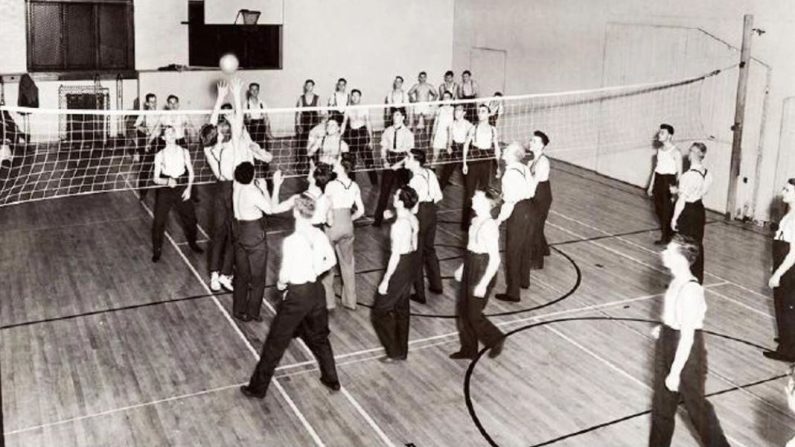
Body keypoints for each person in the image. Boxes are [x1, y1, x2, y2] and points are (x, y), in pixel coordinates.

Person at [240, 194, 341, 399]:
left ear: (296, 212)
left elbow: (285, 274)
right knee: (320, 337)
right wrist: (315, 270)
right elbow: (330, 260)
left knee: (275, 342)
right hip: (316, 292)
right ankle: (332, 379)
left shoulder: (293, 241)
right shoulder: (319, 234)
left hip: (298, 295)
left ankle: (257, 388)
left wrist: (281, 284)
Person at [648, 235, 730, 447]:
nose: (663, 253)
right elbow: (675, 318)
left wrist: (675, 372)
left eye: (669, 251)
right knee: (661, 408)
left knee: (697, 410)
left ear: (682, 258)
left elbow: (687, 336)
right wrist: (664, 327)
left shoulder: (691, 289)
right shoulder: (676, 280)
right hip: (668, 341)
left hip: (687, 353)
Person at [449, 189, 504, 359]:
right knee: (463, 310)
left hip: (483, 270)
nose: (472, 198)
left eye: (477, 196)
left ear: (487, 203)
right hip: (472, 264)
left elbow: (495, 259)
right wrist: (463, 267)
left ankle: (496, 337)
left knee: (473, 314)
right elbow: (472, 250)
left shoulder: (489, 227)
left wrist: (483, 283)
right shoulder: (474, 221)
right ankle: (469, 349)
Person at [372, 186, 419, 362]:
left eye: (396, 195)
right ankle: (401, 351)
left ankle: (394, 351)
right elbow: (414, 244)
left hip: (399, 265)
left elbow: (396, 255)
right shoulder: (412, 219)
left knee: (379, 312)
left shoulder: (399, 226)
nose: (393, 195)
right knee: (402, 308)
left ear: (400, 202)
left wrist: (386, 280)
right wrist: (392, 216)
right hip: (410, 263)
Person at [150, 126, 202, 262]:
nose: (171, 135)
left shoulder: (184, 151)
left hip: (181, 187)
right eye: (167, 133)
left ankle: (193, 243)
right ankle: (157, 251)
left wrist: (189, 189)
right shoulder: (159, 155)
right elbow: (155, 178)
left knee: (191, 219)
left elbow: (191, 172)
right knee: (159, 221)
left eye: (173, 132)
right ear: (163, 138)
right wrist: (167, 181)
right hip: (166, 188)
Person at [323, 157, 366, 310]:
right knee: (348, 263)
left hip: (333, 223)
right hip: (348, 224)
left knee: (327, 262)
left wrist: (329, 222)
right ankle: (350, 302)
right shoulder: (354, 185)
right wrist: (349, 219)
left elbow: (327, 207)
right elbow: (361, 211)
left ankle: (329, 302)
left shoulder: (331, 185)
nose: (333, 162)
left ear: (341, 167)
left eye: (336, 161)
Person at [494, 143, 535, 303]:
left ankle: (513, 293)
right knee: (525, 247)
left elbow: (509, 202)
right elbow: (531, 189)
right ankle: (524, 281)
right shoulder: (523, 168)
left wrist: (498, 220)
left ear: (512, 155)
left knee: (513, 251)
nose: (503, 151)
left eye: (506, 150)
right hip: (530, 208)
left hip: (518, 212)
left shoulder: (509, 175)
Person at [671, 142, 712, 284]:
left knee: (684, 245)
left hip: (688, 211)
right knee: (697, 244)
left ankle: (684, 278)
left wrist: (674, 218)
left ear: (694, 154)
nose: (688, 153)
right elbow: (701, 191)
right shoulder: (707, 174)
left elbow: (682, 200)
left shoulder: (687, 176)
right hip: (699, 210)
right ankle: (696, 280)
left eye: (690, 150)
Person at [406, 150, 443, 304]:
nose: (405, 160)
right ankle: (437, 285)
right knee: (429, 249)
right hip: (432, 211)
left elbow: (413, 207)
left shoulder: (414, 181)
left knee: (417, 253)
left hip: (420, 213)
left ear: (415, 161)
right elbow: (439, 196)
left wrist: (408, 218)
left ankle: (420, 294)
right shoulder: (430, 173)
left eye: (408, 157)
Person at [764, 179, 795, 362]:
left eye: (788, 190)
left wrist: (778, 273)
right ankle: (787, 338)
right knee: (785, 307)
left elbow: (793, 253)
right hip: (783, 264)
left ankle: (787, 350)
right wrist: (774, 265)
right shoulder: (789, 213)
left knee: (785, 307)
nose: (783, 192)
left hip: (789, 269)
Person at [373, 109, 414, 227]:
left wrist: (399, 164)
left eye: (397, 115)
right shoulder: (388, 131)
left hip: (402, 161)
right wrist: (385, 161)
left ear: (403, 117)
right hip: (390, 160)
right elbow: (383, 149)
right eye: (393, 115)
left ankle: (406, 219)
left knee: (404, 192)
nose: (394, 117)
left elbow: (409, 154)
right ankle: (378, 219)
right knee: (384, 191)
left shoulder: (408, 133)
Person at [462, 104, 500, 229]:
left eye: (483, 111)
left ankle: (480, 220)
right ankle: (465, 224)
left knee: (483, 192)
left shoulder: (493, 130)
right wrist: (464, 163)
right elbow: (466, 145)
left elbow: (496, 149)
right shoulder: (474, 128)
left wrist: (498, 166)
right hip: (474, 160)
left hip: (486, 161)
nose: (480, 113)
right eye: (479, 111)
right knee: (469, 193)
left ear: (488, 114)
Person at [647, 124, 682, 245]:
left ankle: (666, 237)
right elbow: (656, 168)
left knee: (667, 211)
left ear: (670, 136)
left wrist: (676, 188)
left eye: (662, 133)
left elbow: (679, 173)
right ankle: (669, 233)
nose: (659, 135)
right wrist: (651, 185)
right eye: (659, 132)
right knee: (658, 209)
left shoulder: (676, 152)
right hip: (658, 180)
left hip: (669, 181)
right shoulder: (659, 151)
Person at [341, 89, 378, 186]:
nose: (355, 97)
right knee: (351, 159)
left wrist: (371, 140)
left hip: (362, 133)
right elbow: (344, 122)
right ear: (351, 97)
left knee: (368, 159)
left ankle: (375, 182)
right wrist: (340, 136)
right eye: (353, 96)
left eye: (357, 95)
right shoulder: (348, 108)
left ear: (360, 97)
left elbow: (368, 122)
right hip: (351, 134)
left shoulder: (365, 108)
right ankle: (351, 183)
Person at [528, 130, 552, 270]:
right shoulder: (532, 160)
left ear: (542, 146)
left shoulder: (543, 162)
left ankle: (537, 261)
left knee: (535, 226)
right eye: (531, 140)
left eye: (535, 141)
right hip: (536, 192)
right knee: (537, 223)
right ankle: (544, 249)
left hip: (541, 194)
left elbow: (535, 182)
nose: (531, 143)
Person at [437, 104, 472, 191]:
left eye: (459, 110)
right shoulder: (451, 124)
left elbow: (469, 141)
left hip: (464, 149)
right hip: (454, 148)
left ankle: (470, 197)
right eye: (455, 110)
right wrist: (449, 146)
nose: (456, 112)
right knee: (445, 173)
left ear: (464, 113)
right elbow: (450, 138)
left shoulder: (468, 125)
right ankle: (437, 194)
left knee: (467, 175)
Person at [133, 93, 159, 199]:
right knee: (145, 168)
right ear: (147, 103)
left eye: (155, 101)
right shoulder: (144, 114)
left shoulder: (160, 114)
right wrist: (142, 128)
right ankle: (143, 192)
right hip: (147, 143)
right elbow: (135, 126)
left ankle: (162, 193)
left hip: (159, 142)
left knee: (160, 168)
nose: (154, 104)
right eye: (151, 102)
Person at [295, 79, 321, 173]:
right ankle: (302, 165)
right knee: (303, 145)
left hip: (314, 124)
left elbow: (319, 113)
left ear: (313, 87)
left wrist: (320, 126)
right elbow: (298, 113)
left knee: (315, 144)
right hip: (305, 124)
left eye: (311, 85)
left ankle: (315, 164)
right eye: (307, 85)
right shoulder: (301, 98)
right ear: (305, 87)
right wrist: (298, 125)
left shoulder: (317, 98)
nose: (309, 87)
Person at [245, 83, 273, 151]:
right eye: (252, 89)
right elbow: (246, 120)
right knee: (252, 148)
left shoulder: (262, 103)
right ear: (249, 91)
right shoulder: (246, 104)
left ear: (258, 91)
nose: (254, 91)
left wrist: (268, 130)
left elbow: (266, 118)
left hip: (261, 127)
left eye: (256, 89)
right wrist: (247, 119)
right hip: (251, 128)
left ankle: (264, 161)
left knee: (263, 148)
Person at [431, 91, 455, 163]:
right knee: (435, 156)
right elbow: (435, 124)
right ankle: (432, 170)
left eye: (447, 97)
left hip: (449, 135)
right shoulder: (439, 110)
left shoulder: (453, 109)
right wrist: (432, 137)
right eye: (444, 97)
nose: (445, 99)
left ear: (451, 99)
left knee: (448, 156)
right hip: (439, 134)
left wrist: (450, 140)